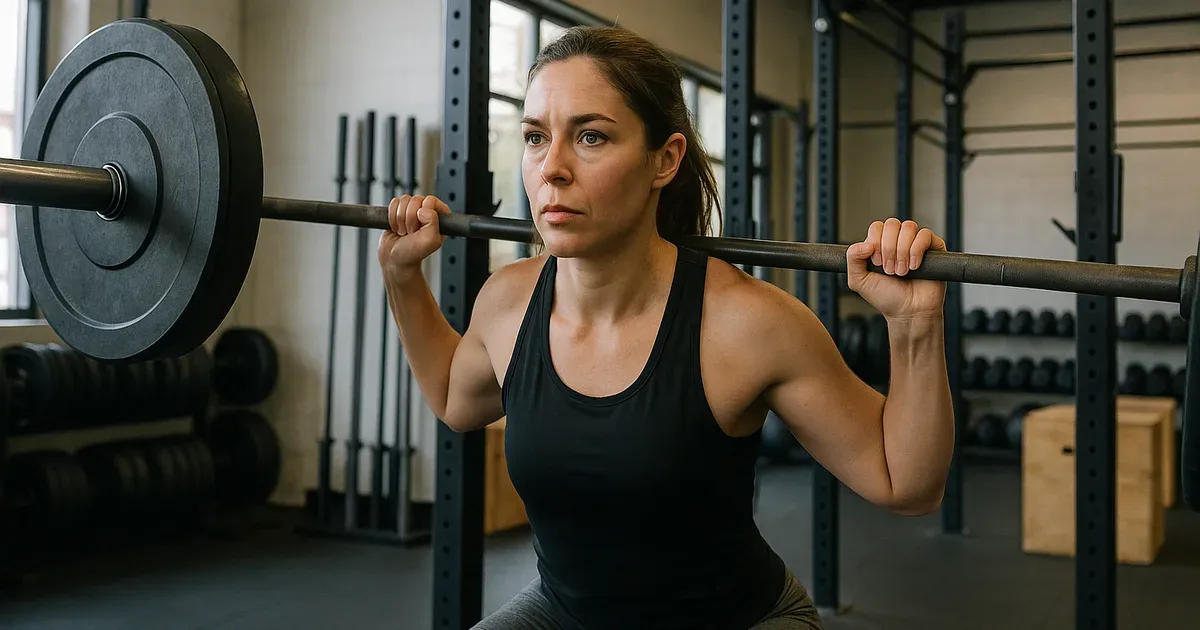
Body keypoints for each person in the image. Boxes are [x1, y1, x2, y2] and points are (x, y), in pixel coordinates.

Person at [379, 25, 955, 630]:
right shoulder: (507, 301)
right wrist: (402, 277)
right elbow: (454, 398)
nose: (552, 168)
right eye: (534, 137)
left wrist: (915, 325)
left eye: (591, 136)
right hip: (567, 612)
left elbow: (905, 484)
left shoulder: (744, 323)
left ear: (666, 159)